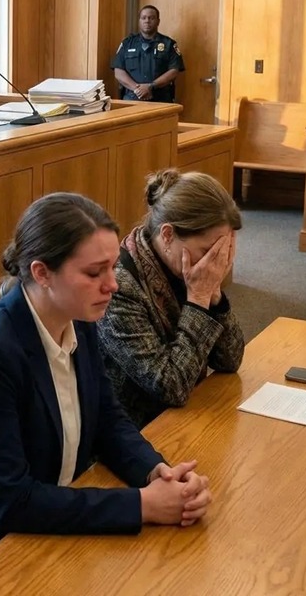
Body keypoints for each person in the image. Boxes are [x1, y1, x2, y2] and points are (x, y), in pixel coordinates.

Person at [0, 193, 212, 567]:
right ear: (42, 273)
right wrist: (142, 505)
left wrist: (156, 473)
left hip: (48, 526)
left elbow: (107, 419)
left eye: (112, 268)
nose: (113, 285)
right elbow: (12, 501)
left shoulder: (78, 320)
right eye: (94, 273)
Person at [97, 169, 245, 430]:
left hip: (185, 417)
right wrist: (199, 298)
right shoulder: (120, 286)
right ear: (167, 235)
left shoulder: (188, 269)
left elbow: (230, 360)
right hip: (136, 431)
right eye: (209, 251)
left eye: (223, 250)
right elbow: (170, 386)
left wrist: (213, 295)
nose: (217, 262)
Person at [111, 5, 185, 102]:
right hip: (132, 99)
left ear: (158, 21)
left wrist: (151, 86)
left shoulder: (169, 44)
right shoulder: (127, 43)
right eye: (144, 18)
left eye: (151, 18)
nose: (147, 21)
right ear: (139, 21)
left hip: (161, 100)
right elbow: (118, 71)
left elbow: (174, 71)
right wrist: (138, 90)